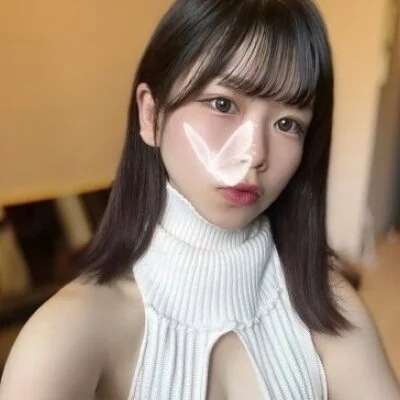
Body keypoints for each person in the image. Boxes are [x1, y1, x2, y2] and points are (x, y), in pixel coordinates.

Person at [1, 0, 399, 399]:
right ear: (150, 115)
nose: (255, 153)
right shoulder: (66, 335)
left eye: (287, 123)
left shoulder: (328, 304)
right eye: (223, 104)